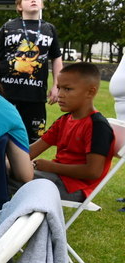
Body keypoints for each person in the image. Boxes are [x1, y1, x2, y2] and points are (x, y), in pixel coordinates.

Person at [19, 62, 116, 201]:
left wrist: (51, 167)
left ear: (90, 92)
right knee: (3, 170)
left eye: (68, 89)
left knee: (5, 177)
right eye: (59, 88)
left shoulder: (97, 126)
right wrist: (9, 158)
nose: (60, 95)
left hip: (74, 187)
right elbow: (32, 151)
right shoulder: (64, 120)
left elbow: (93, 171)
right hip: (55, 178)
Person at [0, 0, 63, 143]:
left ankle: (27, 167)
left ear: (42, 4)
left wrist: (57, 85)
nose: (33, 0)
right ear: (19, 7)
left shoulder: (49, 29)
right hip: (6, 93)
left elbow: (56, 58)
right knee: (0, 136)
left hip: (35, 95)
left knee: (33, 140)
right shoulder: (8, 27)